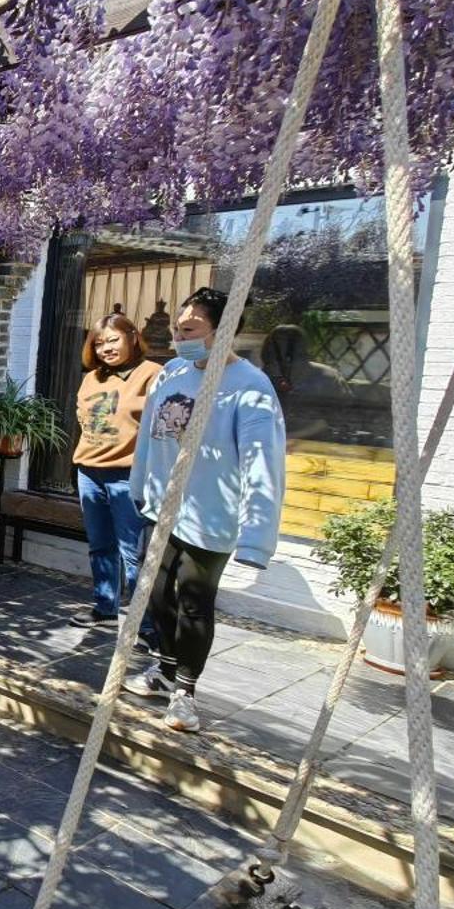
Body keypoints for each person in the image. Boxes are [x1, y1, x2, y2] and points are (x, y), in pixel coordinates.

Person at [127, 287, 287, 734]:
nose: (180, 336)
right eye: (178, 329)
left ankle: (186, 693)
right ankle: (163, 669)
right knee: (157, 597)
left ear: (225, 330)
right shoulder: (172, 372)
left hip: (211, 515)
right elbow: (149, 439)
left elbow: (264, 461)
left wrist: (257, 537)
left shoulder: (249, 387)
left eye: (191, 329)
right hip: (163, 508)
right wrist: (140, 487)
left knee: (194, 603)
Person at [69, 313, 165, 631]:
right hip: (89, 471)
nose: (106, 348)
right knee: (100, 545)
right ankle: (105, 606)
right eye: (98, 343)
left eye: (113, 339)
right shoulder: (92, 377)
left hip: (128, 475)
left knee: (133, 551)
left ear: (132, 337)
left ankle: (145, 621)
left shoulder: (154, 374)